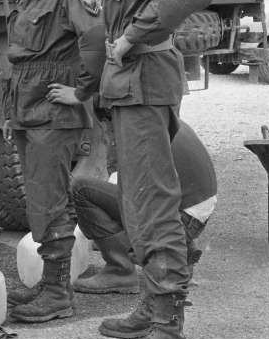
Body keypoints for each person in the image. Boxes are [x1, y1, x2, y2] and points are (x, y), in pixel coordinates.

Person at [68, 0, 212, 339]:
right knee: (136, 199)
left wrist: (130, 36)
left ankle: (169, 336)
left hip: (145, 80)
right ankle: (153, 306)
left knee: (152, 204)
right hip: (132, 85)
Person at [0, 0, 103, 323]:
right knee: (39, 200)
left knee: (50, 200)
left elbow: (96, 39)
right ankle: (50, 282)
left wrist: (82, 93)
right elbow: (23, 61)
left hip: (55, 115)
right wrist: (11, 114)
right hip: (30, 112)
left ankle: (58, 295)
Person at [72, 120, 216, 301]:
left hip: (181, 219)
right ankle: (181, 254)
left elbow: (132, 193)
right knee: (113, 200)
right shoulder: (156, 116)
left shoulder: (133, 130)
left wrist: (94, 225)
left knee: (81, 189)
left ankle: (120, 271)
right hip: (196, 213)